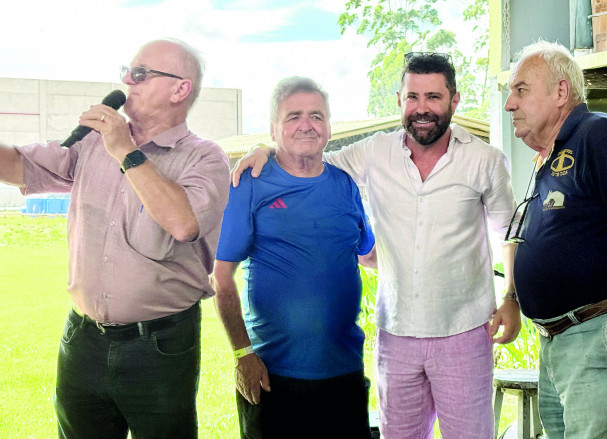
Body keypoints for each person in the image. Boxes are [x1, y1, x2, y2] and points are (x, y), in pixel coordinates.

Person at [232, 54, 520, 439]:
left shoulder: (485, 161)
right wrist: (265, 148)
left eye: (433, 96)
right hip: (396, 334)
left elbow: (510, 234)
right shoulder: (373, 153)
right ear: (400, 101)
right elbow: (308, 157)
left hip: (464, 333)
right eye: (412, 96)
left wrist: (512, 298)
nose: (422, 108)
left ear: (454, 101)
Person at [0, 39, 230, 438]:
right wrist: (114, 145)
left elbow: (183, 224)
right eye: (127, 71)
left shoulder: (204, 157)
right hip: (82, 339)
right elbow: (19, 165)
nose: (126, 80)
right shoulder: (92, 143)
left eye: (140, 74)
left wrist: (125, 150)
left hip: (159, 346)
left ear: (180, 89)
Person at [505, 40, 607, 438]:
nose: (509, 104)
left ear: (560, 92)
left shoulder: (601, 135)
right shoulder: (554, 157)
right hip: (561, 342)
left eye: (521, 89)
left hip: (600, 335)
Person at [211, 76, 376, 439]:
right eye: (293, 116)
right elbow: (221, 277)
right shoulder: (249, 182)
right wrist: (242, 354)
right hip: (271, 375)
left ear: (329, 127)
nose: (306, 125)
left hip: (344, 373)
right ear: (273, 129)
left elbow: (370, 255)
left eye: (317, 116)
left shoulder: (344, 184)